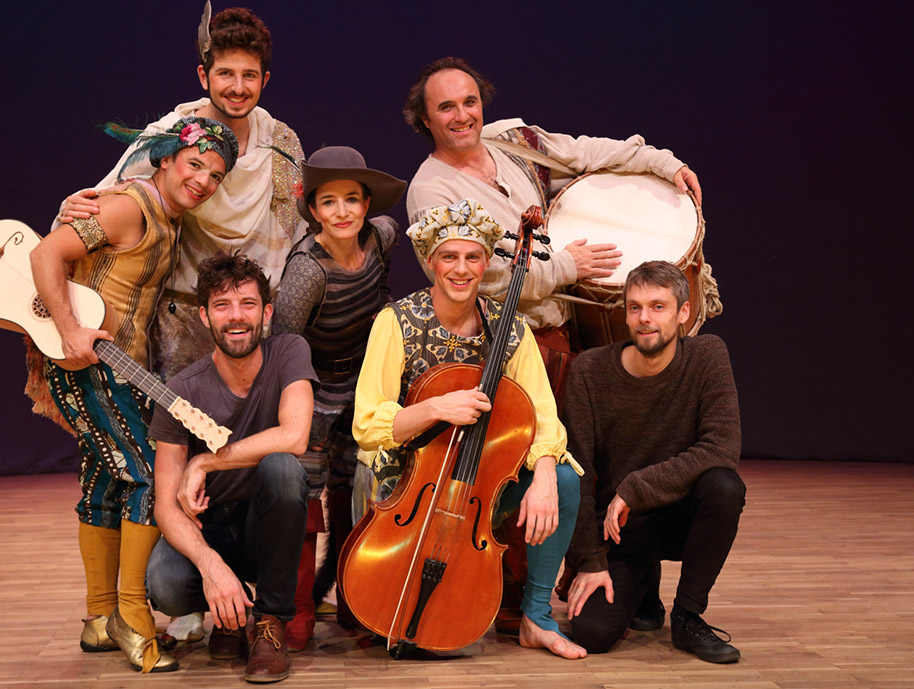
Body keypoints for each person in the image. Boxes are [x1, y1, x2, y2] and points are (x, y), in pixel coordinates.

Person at [26, 117, 238, 673]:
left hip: (120, 368)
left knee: (104, 483)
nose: (203, 180)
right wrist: (69, 330)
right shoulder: (129, 207)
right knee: (146, 477)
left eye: (216, 175)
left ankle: (99, 618)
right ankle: (132, 616)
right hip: (88, 364)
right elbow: (45, 254)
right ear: (166, 159)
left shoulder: (167, 216)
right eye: (195, 164)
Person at [351, 199, 586, 660]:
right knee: (370, 470)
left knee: (563, 479)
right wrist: (435, 407)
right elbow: (368, 425)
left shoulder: (511, 329)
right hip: (409, 476)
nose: (461, 269)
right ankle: (388, 589)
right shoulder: (396, 321)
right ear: (430, 261)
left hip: (481, 480)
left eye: (473, 257)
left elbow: (543, 413)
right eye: (449, 257)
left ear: (486, 262)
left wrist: (543, 472)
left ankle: (536, 617)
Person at [403, 56, 703, 402]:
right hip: (512, 350)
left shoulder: (511, 142)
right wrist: (566, 266)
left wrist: (663, 163)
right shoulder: (431, 192)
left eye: (469, 102)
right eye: (446, 107)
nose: (462, 115)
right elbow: (485, 278)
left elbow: (585, 152)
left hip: (571, 330)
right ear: (425, 120)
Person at [57, 4, 304, 380]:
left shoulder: (280, 142)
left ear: (265, 80)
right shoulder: (175, 135)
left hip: (256, 320)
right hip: (184, 317)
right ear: (204, 76)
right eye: (225, 73)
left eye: (249, 75)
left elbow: (297, 232)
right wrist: (76, 206)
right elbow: (116, 192)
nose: (238, 88)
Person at [145, 252, 317, 683]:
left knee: (283, 469)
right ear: (205, 316)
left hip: (266, 524)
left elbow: (294, 436)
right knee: (165, 583)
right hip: (212, 526)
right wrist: (210, 565)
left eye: (248, 304)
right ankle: (228, 614)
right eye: (222, 305)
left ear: (267, 313)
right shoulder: (181, 389)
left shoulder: (289, 352)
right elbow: (165, 506)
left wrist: (205, 460)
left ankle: (269, 624)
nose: (236, 316)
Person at [563, 260, 745, 663]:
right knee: (593, 634)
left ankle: (687, 616)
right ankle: (642, 581)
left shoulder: (708, 356)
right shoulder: (589, 371)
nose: (644, 319)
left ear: (683, 312)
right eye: (635, 307)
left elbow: (722, 447)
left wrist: (635, 487)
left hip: (679, 516)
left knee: (724, 486)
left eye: (658, 307)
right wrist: (589, 562)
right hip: (620, 529)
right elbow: (577, 474)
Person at [270, 146, 407, 648]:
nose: (342, 211)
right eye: (329, 202)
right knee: (305, 495)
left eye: (352, 199)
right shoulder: (308, 270)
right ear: (313, 210)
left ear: (367, 204)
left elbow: (382, 289)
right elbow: (284, 344)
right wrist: (299, 411)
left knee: (358, 491)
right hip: (312, 385)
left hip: (365, 384)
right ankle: (298, 607)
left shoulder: (381, 236)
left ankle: (355, 600)